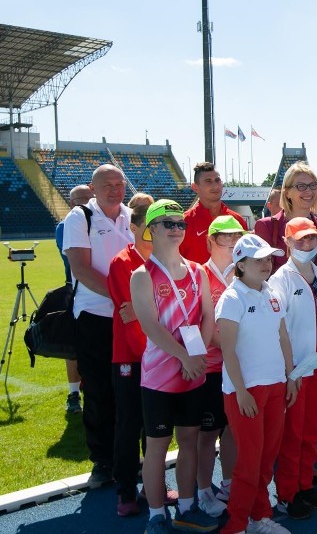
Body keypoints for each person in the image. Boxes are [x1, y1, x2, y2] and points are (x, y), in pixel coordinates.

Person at [130, 199, 218, 534]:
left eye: (180, 223)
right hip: (158, 378)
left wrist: (199, 356)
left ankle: (186, 506)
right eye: (168, 223)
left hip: (193, 373)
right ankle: (155, 515)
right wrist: (184, 357)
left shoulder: (198, 272)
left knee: (190, 440)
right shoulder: (142, 276)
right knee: (157, 446)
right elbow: (150, 326)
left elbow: (208, 316)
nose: (176, 229)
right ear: (151, 229)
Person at [215, 234, 296, 534]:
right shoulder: (231, 298)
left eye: (268, 258)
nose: (267, 263)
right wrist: (241, 391)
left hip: (276, 386)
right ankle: (236, 526)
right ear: (241, 264)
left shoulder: (272, 293)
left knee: (266, 461)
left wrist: (290, 376)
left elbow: (283, 338)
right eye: (259, 259)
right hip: (246, 392)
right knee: (249, 464)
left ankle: (259, 517)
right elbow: (228, 350)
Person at [63, 164, 134, 486]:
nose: (115, 189)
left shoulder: (132, 216)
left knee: (129, 391)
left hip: (131, 316)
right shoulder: (80, 218)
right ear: (93, 188)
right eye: (107, 184)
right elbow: (80, 267)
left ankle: (127, 458)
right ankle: (102, 462)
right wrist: (121, 298)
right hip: (96, 316)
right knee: (98, 391)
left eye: (119, 183)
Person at [268, 218, 317, 520]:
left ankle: (305, 484)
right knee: (292, 434)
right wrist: (289, 371)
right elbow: (279, 328)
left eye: (311, 239)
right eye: (299, 240)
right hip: (296, 369)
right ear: (287, 241)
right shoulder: (279, 280)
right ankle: (287, 493)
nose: (306, 245)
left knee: (311, 430)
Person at [107, 192, 156, 517]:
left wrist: (146, 312)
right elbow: (131, 316)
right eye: (150, 225)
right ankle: (126, 488)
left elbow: (148, 312)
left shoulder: (163, 262)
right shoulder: (123, 263)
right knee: (129, 424)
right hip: (131, 358)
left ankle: (150, 484)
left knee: (154, 426)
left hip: (157, 358)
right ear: (135, 227)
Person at [196, 216, 246, 517]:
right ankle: (204, 490)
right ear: (210, 241)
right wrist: (231, 345)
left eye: (237, 237)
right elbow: (201, 323)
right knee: (207, 433)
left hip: (237, 367)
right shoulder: (199, 275)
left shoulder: (243, 275)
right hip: (211, 368)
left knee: (232, 430)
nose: (232, 243)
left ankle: (227, 483)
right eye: (226, 237)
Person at [56, 183, 93, 414]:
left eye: (89, 198)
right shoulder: (66, 225)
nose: (85, 203)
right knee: (73, 349)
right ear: (71, 203)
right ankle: (72, 393)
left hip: (95, 292)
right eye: (80, 199)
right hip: (76, 291)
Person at [255, 162, 317, 272]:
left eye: (313, 185)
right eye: (301, 186)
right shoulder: (266, 226)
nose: (309, 191)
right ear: (287, 193)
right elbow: (259, 273)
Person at [180, 162, 248, 264]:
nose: (215, 185)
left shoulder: (237, 220)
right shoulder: (184, 222)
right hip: (196, 280)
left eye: (217, 180)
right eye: (208, 181)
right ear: (195, 187)